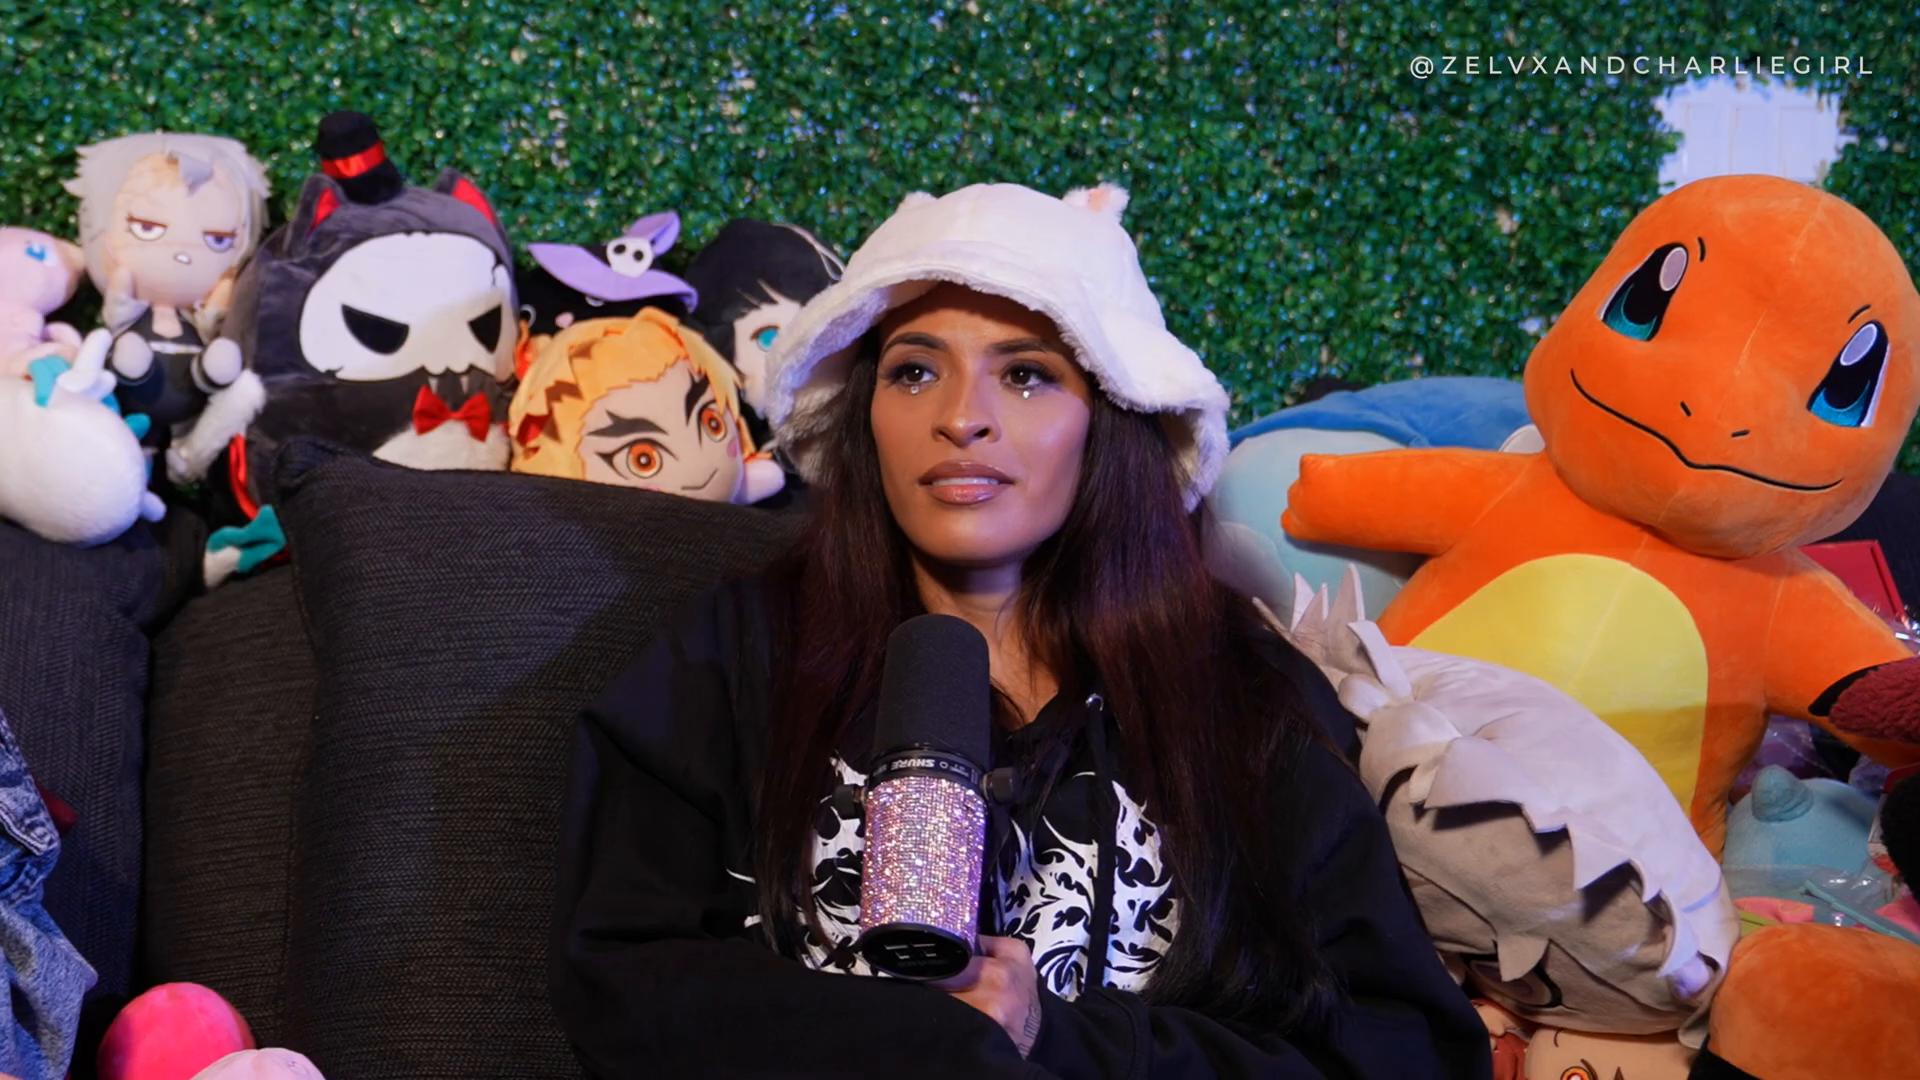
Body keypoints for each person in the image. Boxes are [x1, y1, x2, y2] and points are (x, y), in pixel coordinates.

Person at [551, 183, 1490, 1078]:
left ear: (1112, 418)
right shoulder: (733, 651)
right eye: (915, 371)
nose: (962, 418)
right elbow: (620, 984)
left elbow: (1405, 1052)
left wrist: (1059, 1039)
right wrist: (919, 1042)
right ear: (864, 412)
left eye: (1028, 375)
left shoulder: (1243, 694)